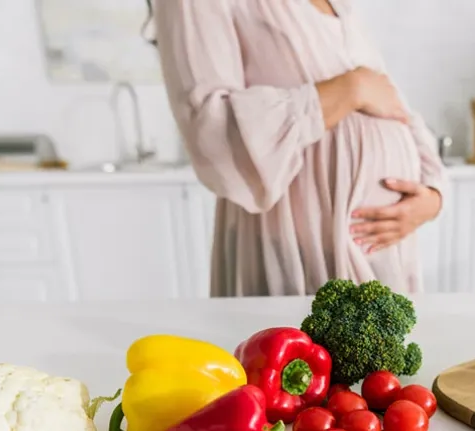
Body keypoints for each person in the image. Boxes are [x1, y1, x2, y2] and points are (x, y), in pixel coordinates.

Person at [153, 0, 448, 297]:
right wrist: (349, 88)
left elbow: (391, 100)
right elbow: (209, 129)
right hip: (293, 244)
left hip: (384, 249)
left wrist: (433, 195)